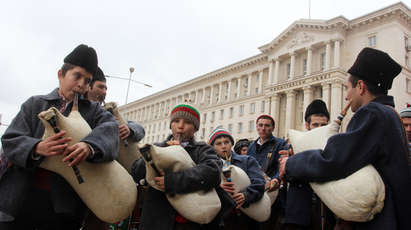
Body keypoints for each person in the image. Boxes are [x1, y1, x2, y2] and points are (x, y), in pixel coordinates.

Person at [279, 47, 411, 229]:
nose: (347, 96)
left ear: (361, 86)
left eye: (348, 88)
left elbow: (334, 159)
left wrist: (291, 163)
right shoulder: (390, 114)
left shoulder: (372, 113)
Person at [0, 44, 119, 230]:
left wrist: (89, 146)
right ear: (61, 74)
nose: (81, 84)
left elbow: (111, 130)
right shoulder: (35, 104)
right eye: (77, 76)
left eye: (87, 81)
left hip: (63, 208)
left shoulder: (94, 112)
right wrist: (37, 148)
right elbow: (10, 140)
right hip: (20, 200)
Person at [130, 104, 223, 230]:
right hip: (156, 220)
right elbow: (136, 172)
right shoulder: (157, 147)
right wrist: (160, 152)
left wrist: (173, 181)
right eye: (176, 121)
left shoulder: (202, 149)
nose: (180, 126)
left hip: (189, 222)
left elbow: (213, 173)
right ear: (170, 125)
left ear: (195, 128)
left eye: (188, 122)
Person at [83, 67, 145, 230]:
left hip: (106, 183)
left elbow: (138, 128)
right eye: (100, 87)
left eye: (106, 88)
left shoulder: (108, 114)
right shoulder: (78, 113)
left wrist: (130, 130)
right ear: (88, 87)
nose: (104, 92)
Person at [284, 99, 335, 230]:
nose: (319, 129)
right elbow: (287, 176)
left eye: (323, 125)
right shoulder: (293, 146)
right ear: (307, 125)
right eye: (315, 125)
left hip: (324, 211)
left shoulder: (333, 147)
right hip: (298, 214)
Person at [209, 126, 265, 230]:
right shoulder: (209, 165)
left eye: (226, 142)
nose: (223, 146)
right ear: (213, 147)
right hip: (221, 218)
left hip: (246, 218)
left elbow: (259, 182)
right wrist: (219, 189)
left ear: (232, 144)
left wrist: (246, 195)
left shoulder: (247, 161)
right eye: (218, 143)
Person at [247, 114, 289, 229]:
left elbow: (282, 165)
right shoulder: (251, 146)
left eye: (267, 125)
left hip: (273, 193)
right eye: (260, 125)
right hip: (255, 192)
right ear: (256, 127)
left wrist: (276, 179)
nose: (263, 128)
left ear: (273, 128)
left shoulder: (280, 144)